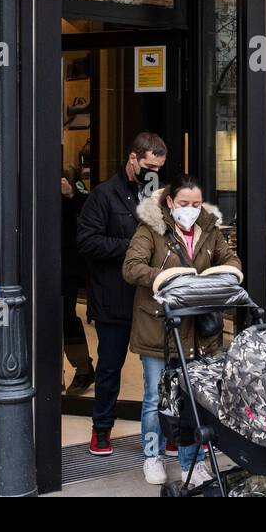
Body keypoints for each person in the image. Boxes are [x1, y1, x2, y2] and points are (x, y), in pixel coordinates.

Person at [123, 174, 242, 486]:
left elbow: (230, 259)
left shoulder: (210, 231)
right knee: (154, 398)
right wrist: (166, 276)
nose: (189, 210)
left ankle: (195, 462)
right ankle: (153, 456)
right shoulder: (151, 229)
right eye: (184, 203)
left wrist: (226, 272)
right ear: (171, 202)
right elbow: (132, 266)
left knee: (192, 400)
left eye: (196, 204)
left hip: (197, 331)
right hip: (159, 328)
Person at [76, 132, 167, 457]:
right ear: (132, 159)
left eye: (158, 168)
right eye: (148, 166)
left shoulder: (157, 197)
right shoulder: (102, 195)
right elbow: (86, 242)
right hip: (113, 297)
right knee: (110, 368)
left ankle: (166, 431)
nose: (152, 173)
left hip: (150, 301)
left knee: (159, 372)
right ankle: (101, 430)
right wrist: (132, 248)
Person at [60, 168, 94, 397]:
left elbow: (87, 208)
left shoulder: (68, 180)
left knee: (65, 318)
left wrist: (70, 193)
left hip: (65, 266)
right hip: (37, 266)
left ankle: (83, 369)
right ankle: (50, 375)